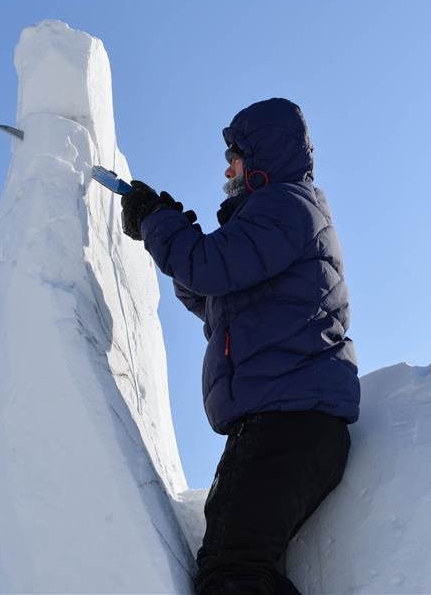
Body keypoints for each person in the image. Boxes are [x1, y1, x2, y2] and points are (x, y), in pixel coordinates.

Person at [120, 97, 361, 594]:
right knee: (238, 563)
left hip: (287, 422)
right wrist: (168, 233)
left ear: (261, 157)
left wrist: (160, 225)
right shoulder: (277, 215)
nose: (227, 166)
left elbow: (210, 266)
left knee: (234, 568)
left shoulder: (286, 205)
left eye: (235, 154)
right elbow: (216, 297)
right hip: (288, 423)